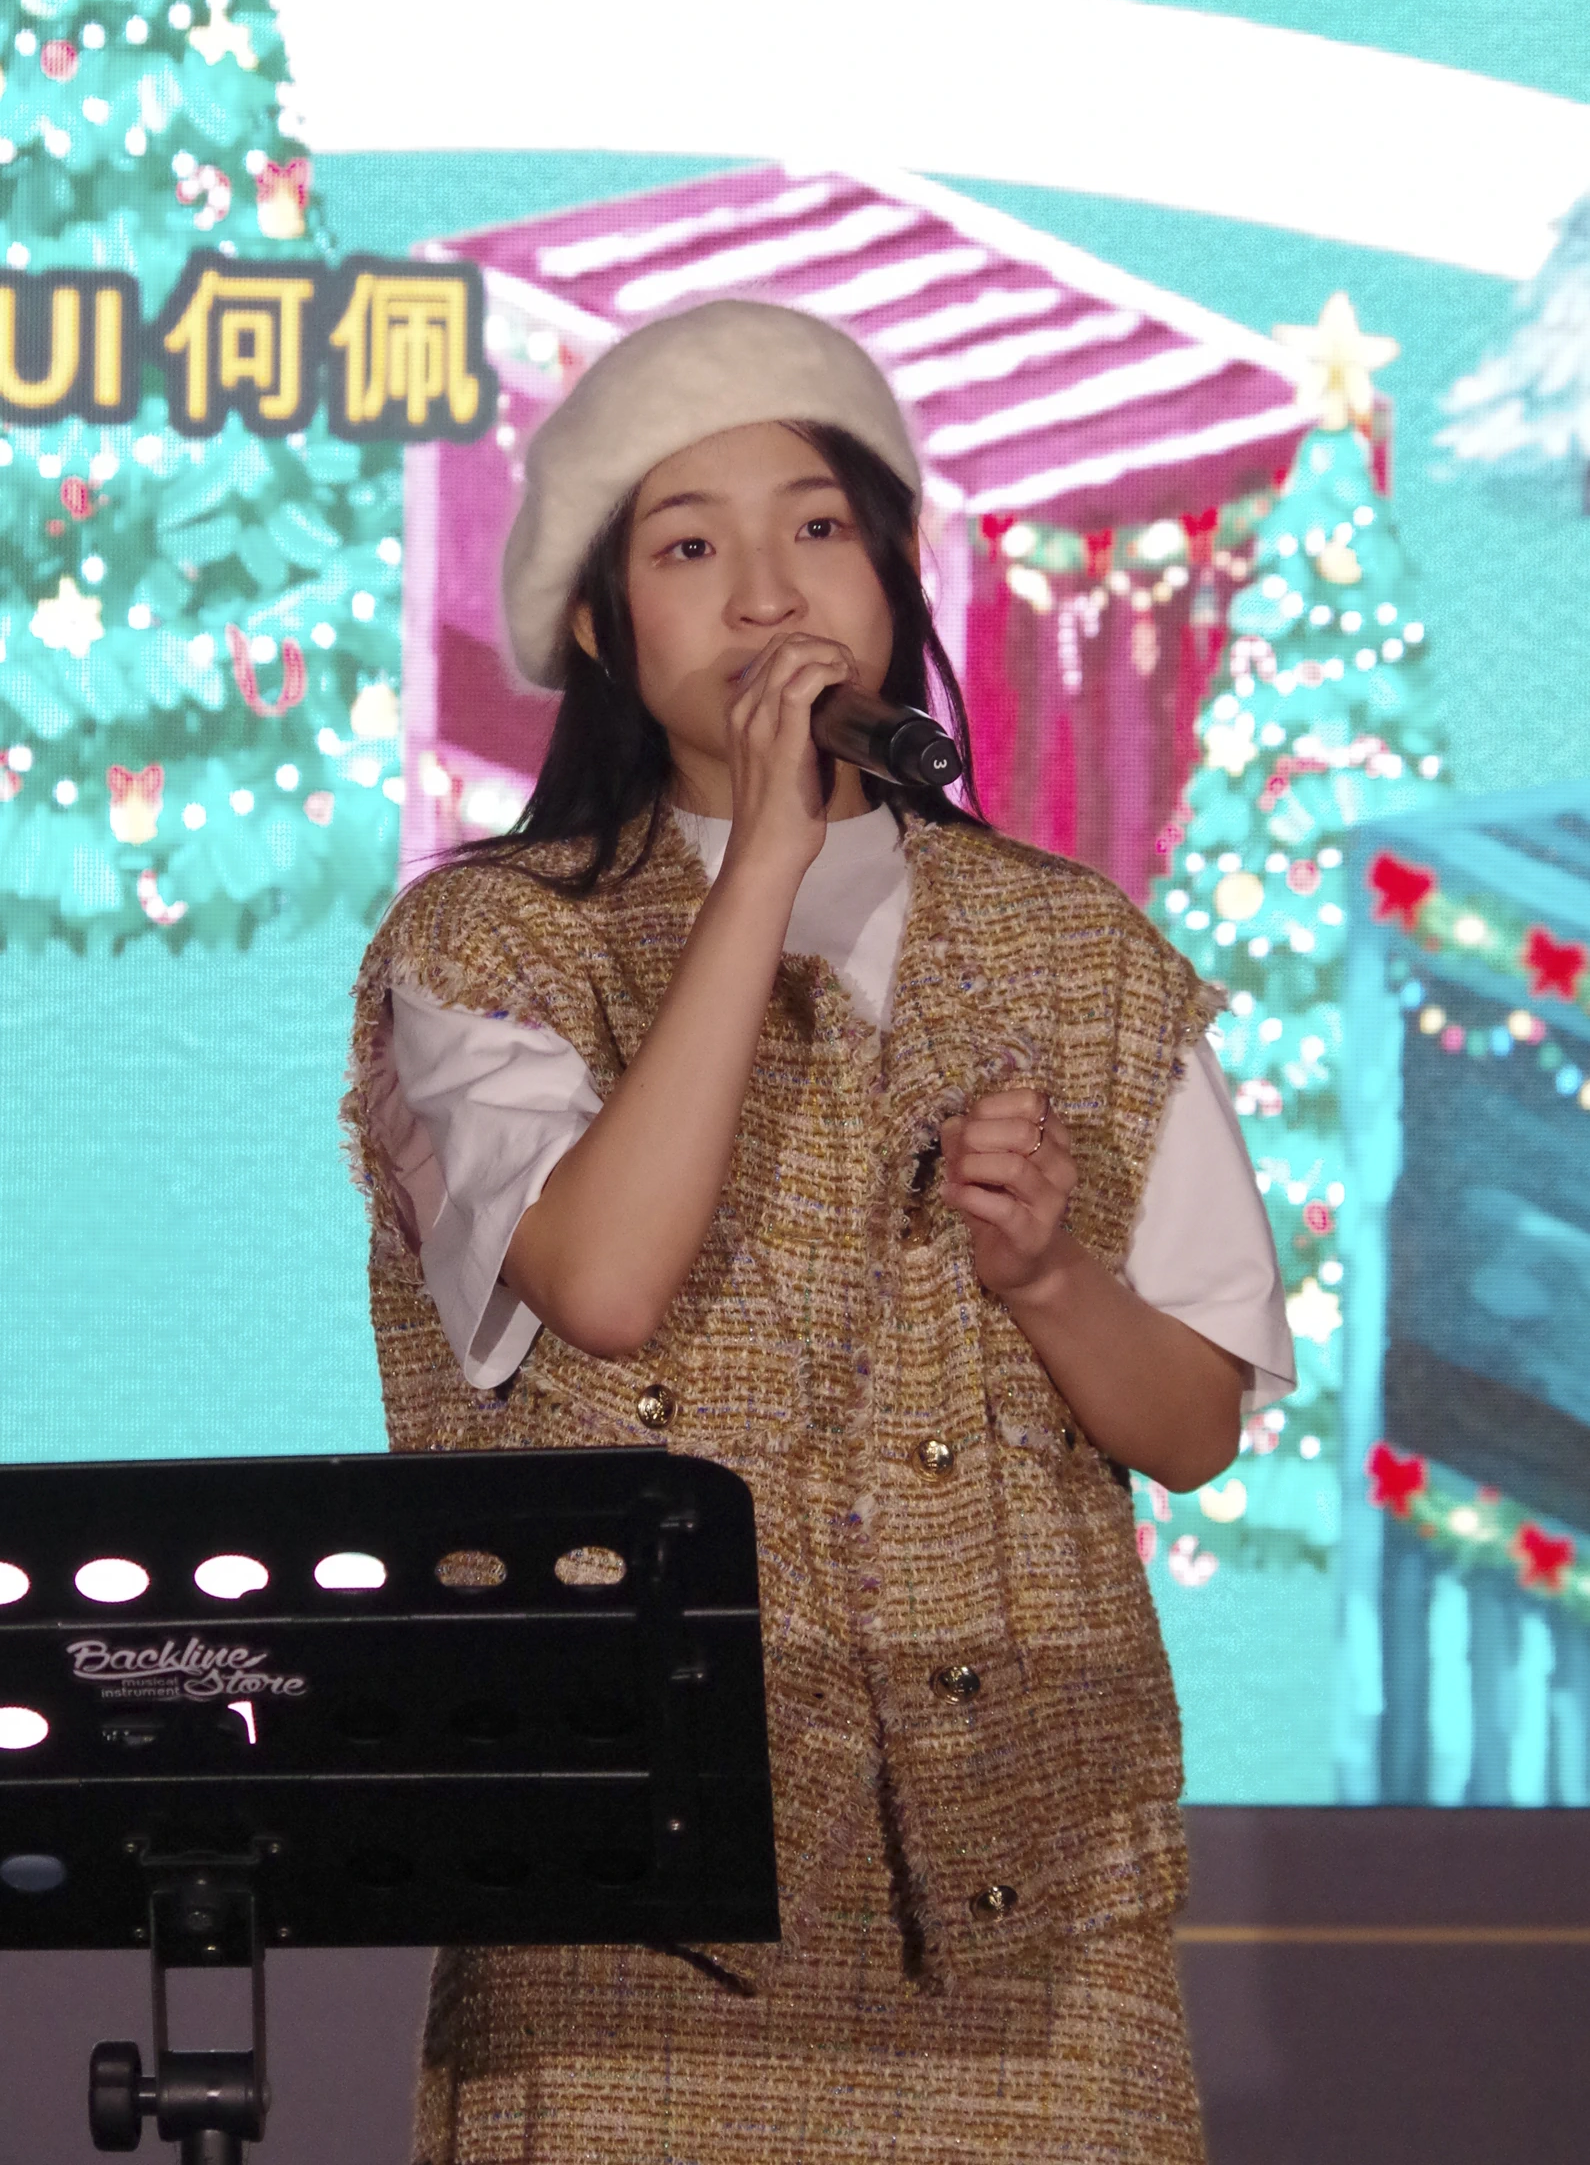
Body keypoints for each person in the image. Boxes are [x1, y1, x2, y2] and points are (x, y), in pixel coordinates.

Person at [344, 298, 1295, 2165]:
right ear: (602, 627)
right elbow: (605, 1281)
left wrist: (1049, 1279)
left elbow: (1191, 1425)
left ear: (892, 569)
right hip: (627, 1940)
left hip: (1036, 1931)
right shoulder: (484, 944)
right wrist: (766, 857)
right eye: (689, 548)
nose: (769, 593)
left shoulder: (1080, 950)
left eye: (815, 527)